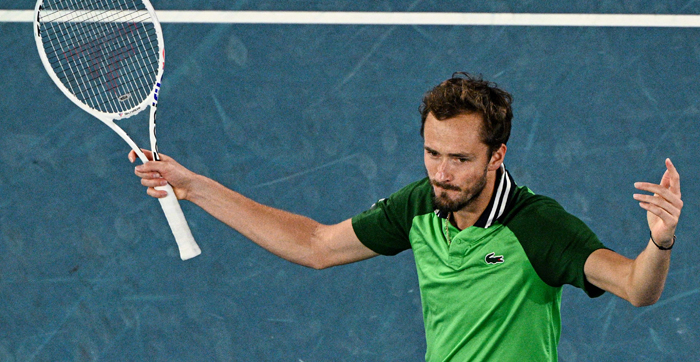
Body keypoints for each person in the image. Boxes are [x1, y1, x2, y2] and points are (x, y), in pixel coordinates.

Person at [130, 72, 683, 361]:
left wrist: (659, 243)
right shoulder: (420, 205)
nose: (441, 173)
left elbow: (637, 288)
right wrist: (195, 188)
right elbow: (317, 245)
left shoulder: (536, 226)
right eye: (432, 153)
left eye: (460, 159)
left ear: (497, 156)